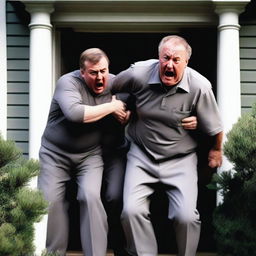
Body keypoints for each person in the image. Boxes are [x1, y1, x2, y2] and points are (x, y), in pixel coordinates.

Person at [111, 35, 223, 256]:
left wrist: (216, 149)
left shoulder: (200, 86)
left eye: (176, 60)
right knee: (131, 212)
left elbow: (216, 126)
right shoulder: (138, 73)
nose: (169, 64)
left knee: (186, 217)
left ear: (186, 62)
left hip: (181, 159)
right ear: (158, 58)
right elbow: (111, 86)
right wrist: (120, 105)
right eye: (166, 58)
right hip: (141, 154)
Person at [38, 48, 128, 256]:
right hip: (55, 154)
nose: (100, 77)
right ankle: (54, 253)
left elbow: (139, 98)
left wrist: (127, 112)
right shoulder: (67, 83)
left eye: (103, 71)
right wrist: (113, 106)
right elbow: (76, 114)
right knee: (51, 202)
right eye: (94, 73)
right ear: (82, 73)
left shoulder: (116, 82)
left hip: (90, 155)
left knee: (90, 197)